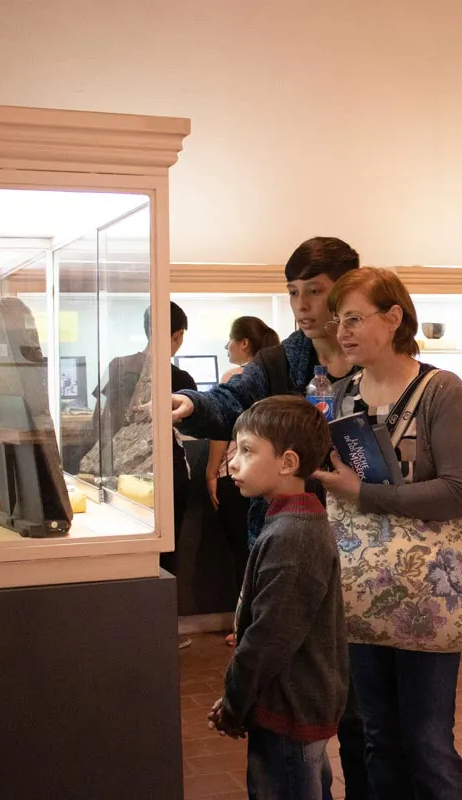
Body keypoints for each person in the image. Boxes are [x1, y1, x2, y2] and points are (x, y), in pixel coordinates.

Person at [171, 236, 368, 800]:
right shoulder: (283, 358)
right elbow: (237, 401)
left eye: (316, 291)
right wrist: (196, 406)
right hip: (295, 529)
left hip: (365, 542)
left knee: (357, 706)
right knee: (299, 681)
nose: (303, 305)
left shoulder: (373, 358)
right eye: (293, 293)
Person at [314, 267, 462, 800]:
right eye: (339, 319)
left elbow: (460, 494)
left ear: (394, 319)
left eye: (356, 318)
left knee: (428, 740)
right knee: (376, 735)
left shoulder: (441, 391)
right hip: (360, 581)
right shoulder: (339, 395)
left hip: (428, 587)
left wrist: (362, 493)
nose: (343, 330)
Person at [207, 395, 349, 800]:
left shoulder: (294, 537)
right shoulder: (290, 524)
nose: (232, 462)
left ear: (287, 463)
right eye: (234, 449)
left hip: (290, 710)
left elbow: (268, 639)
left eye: (247, 451)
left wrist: (235, 703)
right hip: (288, 703)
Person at [204, 315, 282, 644]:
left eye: (231, 341)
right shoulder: (277, 377)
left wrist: (210, 471)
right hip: (269, 477)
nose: (227, 347)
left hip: (235, 475)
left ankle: (244, 625)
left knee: (243, 553)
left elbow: (223, 429)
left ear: (244, 344)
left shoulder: (236, 377)